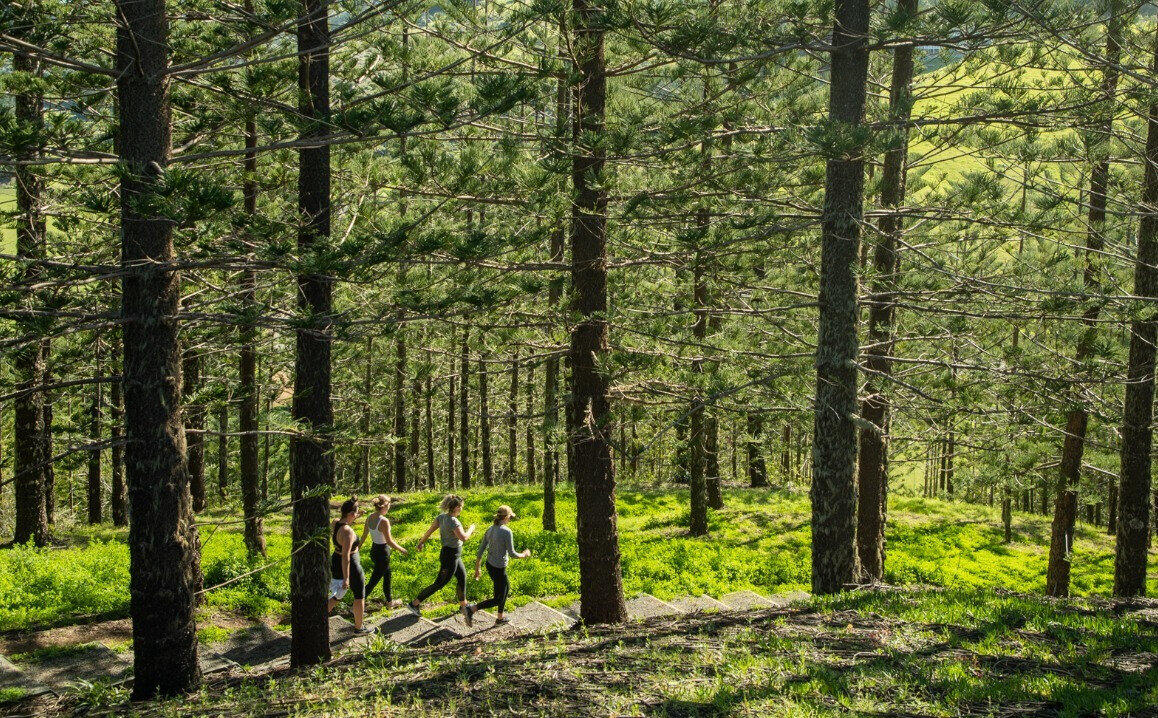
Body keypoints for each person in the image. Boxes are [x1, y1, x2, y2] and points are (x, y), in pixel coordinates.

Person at [407, 494, 475, 620]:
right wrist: (471, 529)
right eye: (461, 507)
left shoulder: (441, 517)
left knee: (462, 576)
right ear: (456, 507)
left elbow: (430, 530)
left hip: (453, 555)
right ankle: (414, 603)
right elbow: (464, 538)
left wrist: (421, 542)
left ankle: (463, 605)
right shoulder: (453, 521)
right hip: (450, 556)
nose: (461, 509)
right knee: (440, 582)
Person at [464, 505, 531, 626]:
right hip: (499, 568)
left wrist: (477, 567)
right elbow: (512, 554)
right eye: (510, 516)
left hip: (490, 566)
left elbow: (481, 549)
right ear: (505, 517)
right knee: (498, 598)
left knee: (505, 589)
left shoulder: (490, 529)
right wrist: (524, 554)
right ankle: (471, 609)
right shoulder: (506, 531)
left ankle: (500, 618)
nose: (510, 519)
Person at [327, 496, 374, 634]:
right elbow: (346, 557)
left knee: (337, 594)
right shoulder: (347, 532)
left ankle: (320, 617)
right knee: (359, 595)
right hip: (350, 564)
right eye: (356, 512)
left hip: (335, 558)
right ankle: (359, 628)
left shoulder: (336, 523)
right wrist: (347, 578)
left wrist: (357, 515)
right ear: (350, 514)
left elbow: (346, 521)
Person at [361, 494, 407, 607]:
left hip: (374, 550)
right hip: (382, 553)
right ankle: (356, 604)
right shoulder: (383, 521)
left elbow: (364, 536)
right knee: (373, 581)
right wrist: (402, 549)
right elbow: (389, 541)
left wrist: (357, 547)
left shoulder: (370, 517)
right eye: (389, 504)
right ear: (385, 506)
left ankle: (389, 601)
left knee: (387, 574)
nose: (390, 506)